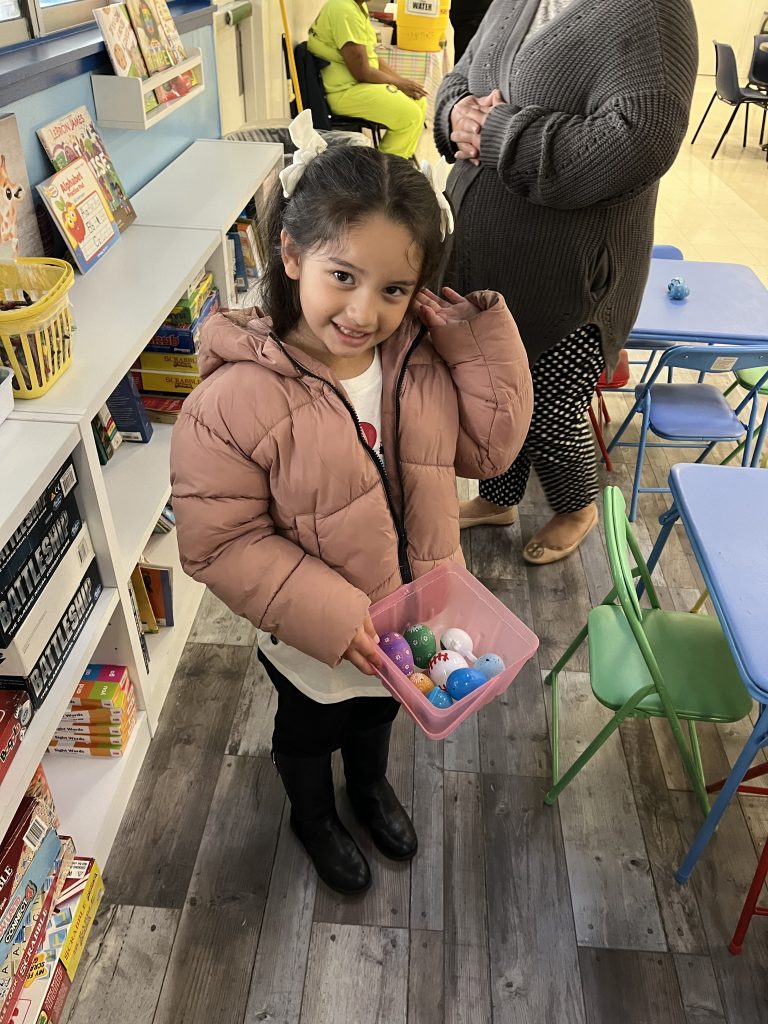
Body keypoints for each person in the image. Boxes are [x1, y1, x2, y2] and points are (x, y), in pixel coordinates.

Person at [170, 113, 533, 895]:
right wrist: (336, 617)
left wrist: (473, 338)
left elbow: (491, 451)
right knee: (311, 728)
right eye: (343, 276)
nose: (365, 312)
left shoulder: (420, 361)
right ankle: (312, 815)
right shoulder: (231, 401)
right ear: (291, 254)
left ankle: (368, 788)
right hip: (316, 635)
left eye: (394, 289)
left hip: (414, 617)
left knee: (378, 716)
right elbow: (220, 543)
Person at [434, 0, 698, 564]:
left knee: (549, 410)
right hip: (485, 263)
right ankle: (499, 497)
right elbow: (463, 72)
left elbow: (641, 140)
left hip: (572, 281)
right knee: (493, 397)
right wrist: (455, 113)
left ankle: (577, 506)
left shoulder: (652, 12)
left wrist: (499, 133)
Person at [308, 0, 427, 159]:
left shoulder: (357, 6)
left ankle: (400, 161)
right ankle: (385, 169)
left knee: (419, 100)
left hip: (357, 84)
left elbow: (372, 58)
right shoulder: (343, 9)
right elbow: (362, 72)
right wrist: (399, 84)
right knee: (410, 116)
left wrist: (402, 82)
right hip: (343, 91)